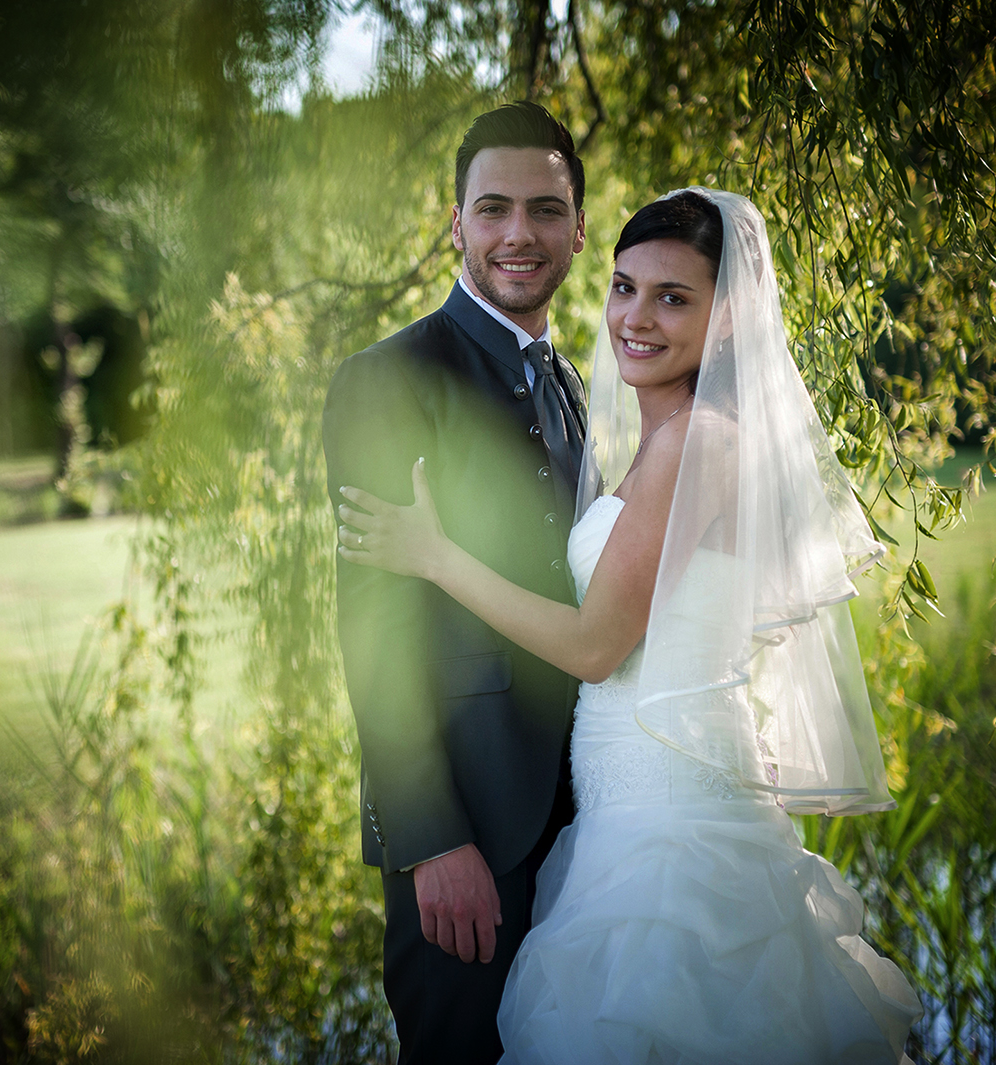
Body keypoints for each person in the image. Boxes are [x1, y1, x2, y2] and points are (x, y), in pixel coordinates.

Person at [336, 188, 924, 1063]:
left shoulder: (698, 443)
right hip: (625, 813)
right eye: (623, 288)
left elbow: (595, 646)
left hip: (670, 827)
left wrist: (437, 556)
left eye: (672, 297)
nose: (635, 318)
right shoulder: (651, 438)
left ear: (729, 319)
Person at [322, 101, 590, 1064]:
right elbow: (375, 629)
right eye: (494, 209)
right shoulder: (387, 379)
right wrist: (431, 838)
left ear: (578, 229)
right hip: (467, 832)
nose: (520, 233)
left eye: (546, 209)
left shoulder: (572, 386)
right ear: (457, 224)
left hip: (589, 826)